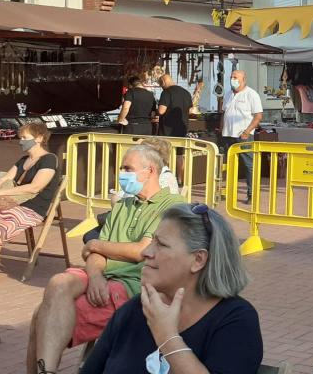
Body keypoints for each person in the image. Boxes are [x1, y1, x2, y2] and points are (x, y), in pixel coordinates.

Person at [28, 145, 186, 374]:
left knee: (39, 315)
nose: (121, 174)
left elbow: (141, 250)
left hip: (135, 287)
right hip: (104, 278)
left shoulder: (172, 204)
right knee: (58, 282)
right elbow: (96, 254)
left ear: (150, 171)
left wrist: (94, 244)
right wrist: (95, 275)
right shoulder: (123, 205)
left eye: (127, 168)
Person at [79, 203, 263, 374]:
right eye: (152, 241)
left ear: (198, 259)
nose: (146, 252)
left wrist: (167, 337)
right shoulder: (135, 309)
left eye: (162, 244)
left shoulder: (236, 320)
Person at [0, 123, 58, 245]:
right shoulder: (23, 160)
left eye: (25, 138)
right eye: (20, 138)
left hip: (30, 209)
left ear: (39, 138)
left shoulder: (49, 159)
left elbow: (35, 187)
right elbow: (3, 180)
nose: (21, 141)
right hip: (8, 203)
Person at [221, 70, 263, 204]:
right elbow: (224, 113)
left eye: (235, 77)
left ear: (243, 79)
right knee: (231, 166)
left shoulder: (251, 95)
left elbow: (258, 116)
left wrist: (247, 132)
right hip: (228, 135)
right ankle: (229, 192)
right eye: (231, 77)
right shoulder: (228, 95)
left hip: (243, 136)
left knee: (249, 166)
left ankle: (252, 194)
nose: (232, 79)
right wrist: (222, 129)